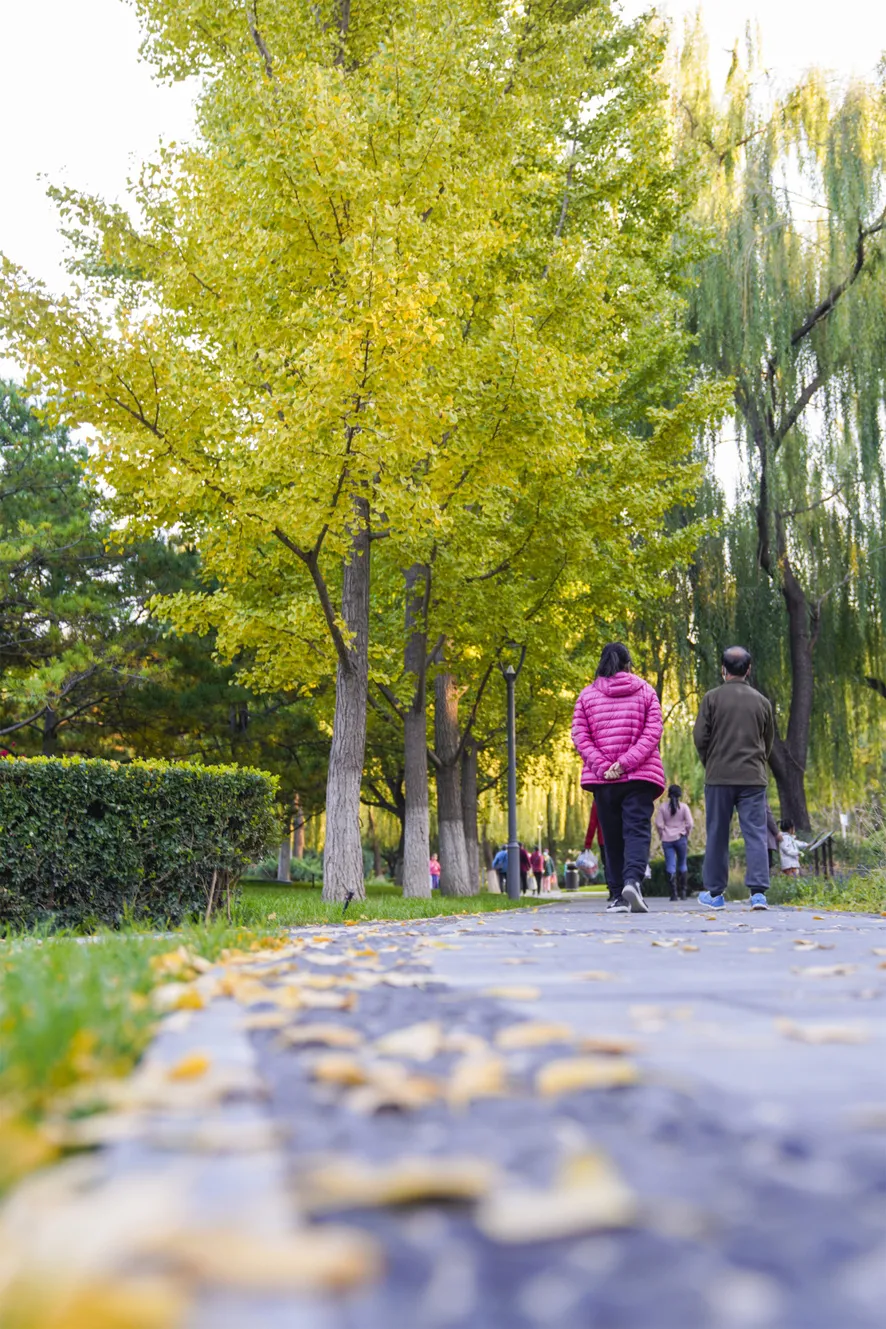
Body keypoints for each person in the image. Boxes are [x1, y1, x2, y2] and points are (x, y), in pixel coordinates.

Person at [571, 641, 665, 914]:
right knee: (636, 830)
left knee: (611, 836)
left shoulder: (586, 696)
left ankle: (616, 897)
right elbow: (653, 732)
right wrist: (625, 764)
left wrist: (604, 766)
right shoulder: (646, 691)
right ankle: (633, 881)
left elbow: (580, 736)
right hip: (639, 776)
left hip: (604, 780)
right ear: (627, 664)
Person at [693, 646, 775, 911]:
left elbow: (700, 738)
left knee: (717, 833)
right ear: (748, 670)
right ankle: (759, 894)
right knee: (756, 833)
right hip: (753, 778)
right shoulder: (762, 701)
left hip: (719, 777)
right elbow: (768, 740)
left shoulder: (711, 698)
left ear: (723, 669)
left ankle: (715, 894)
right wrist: (757, 763)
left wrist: (712, 762)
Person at [655, 785, 694, 900]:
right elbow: (690, 823)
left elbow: (658, 824)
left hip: (667, 839)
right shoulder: (684, 807)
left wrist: (662, 833)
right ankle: (683, 892)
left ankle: (673, 894)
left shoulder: (663, 808)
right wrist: (686, 833)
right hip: (681, 837)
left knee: (670, 865)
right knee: (682, 864)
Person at [584, 800, 614, 899]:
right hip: (617, 837)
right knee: (617, 862)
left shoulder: (598, 800)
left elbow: (593, 823)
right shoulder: (618, 794)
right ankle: (620, 887)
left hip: (603, 839)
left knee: (608, 866)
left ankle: (612, 890)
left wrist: (588, 844)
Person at [766, 801, 783, 870]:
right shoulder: (760, 795)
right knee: (767, 863)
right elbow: (768, 815)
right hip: (764, 839)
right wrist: (776, 832)